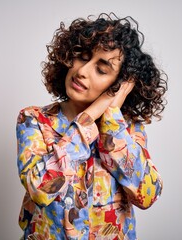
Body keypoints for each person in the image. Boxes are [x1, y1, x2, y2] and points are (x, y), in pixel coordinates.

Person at [16, 12, 167, 240]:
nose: (82, 71)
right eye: (82, 57)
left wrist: (112, 120)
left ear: (118, 85)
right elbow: (40, 187)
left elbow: (147, 195)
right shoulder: (34, 119)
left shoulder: (127, 129)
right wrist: (93, 112)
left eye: (101, 69)